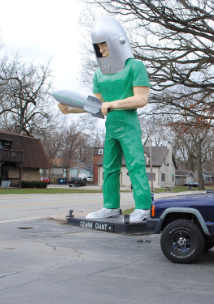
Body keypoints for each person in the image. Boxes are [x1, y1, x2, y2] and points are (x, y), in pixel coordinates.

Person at [58, 14, 152, 222]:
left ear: (117, 42)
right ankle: (110, 206)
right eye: (98, 46)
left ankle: (143, 207)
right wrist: (71, 109)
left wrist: (113, 104)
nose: (102, 49)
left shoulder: (135, 67)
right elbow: (96, 105)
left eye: (104, 44)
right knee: (109, 167)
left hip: (129, 125)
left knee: (136, 165)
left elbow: (141, 99)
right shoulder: (98, 74)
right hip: (111, 128)